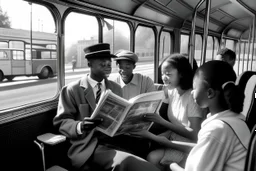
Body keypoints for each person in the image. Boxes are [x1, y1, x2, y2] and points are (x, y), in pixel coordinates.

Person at [53, 43, 161, 171]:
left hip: (116, 140)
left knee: (145, 154)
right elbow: (61, 122)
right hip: (88, 145)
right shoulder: (72, 89)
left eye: (109, 63)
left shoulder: (115, 88)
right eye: (102, 63)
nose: (107, 65)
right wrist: (80, 126)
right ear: (89, 64)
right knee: (128, 162)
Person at [170, 60, 250, 171]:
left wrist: (173, 166)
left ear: (210, 93)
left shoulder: (216, 130)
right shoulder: (237, 119)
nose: (192, 92)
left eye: (194, 88)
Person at [130, 54, 206, 170]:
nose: (164, 77)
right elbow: (161, 111)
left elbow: (195, 134)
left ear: (181, 74)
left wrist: (161, 122)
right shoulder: (171, 91)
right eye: (162, 74)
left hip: (188, 144)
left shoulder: (191, 97)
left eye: (168, 74)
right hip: (173, 136)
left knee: (152, 157)